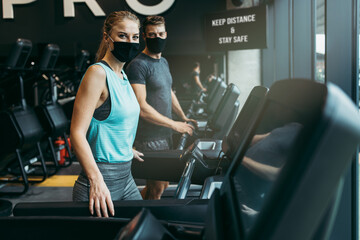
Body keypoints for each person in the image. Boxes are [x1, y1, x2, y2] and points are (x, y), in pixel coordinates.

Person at [71, 11, 144, 218]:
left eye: (135, 37)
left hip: (126, 177)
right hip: (101, 179)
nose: (130, 42)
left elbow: (112, 121)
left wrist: (124, 147)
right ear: (107, 38)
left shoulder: (122, 75)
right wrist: (96, 180)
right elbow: (76, 133)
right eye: (122, 36)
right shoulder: (98, 73)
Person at [126, 16, 196, 200]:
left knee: (161, 185)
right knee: (156, 189)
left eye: (160, 33)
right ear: (144, 36)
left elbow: (168, 92)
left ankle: (136, 213)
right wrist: (174, 125)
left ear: (166, 34)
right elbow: (141, 107)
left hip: (164, 134)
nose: (157, 37)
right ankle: (149, 224)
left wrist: (183, 117)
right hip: (149, 137)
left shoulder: (163, 62)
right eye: (152, 34)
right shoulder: (138, 65)